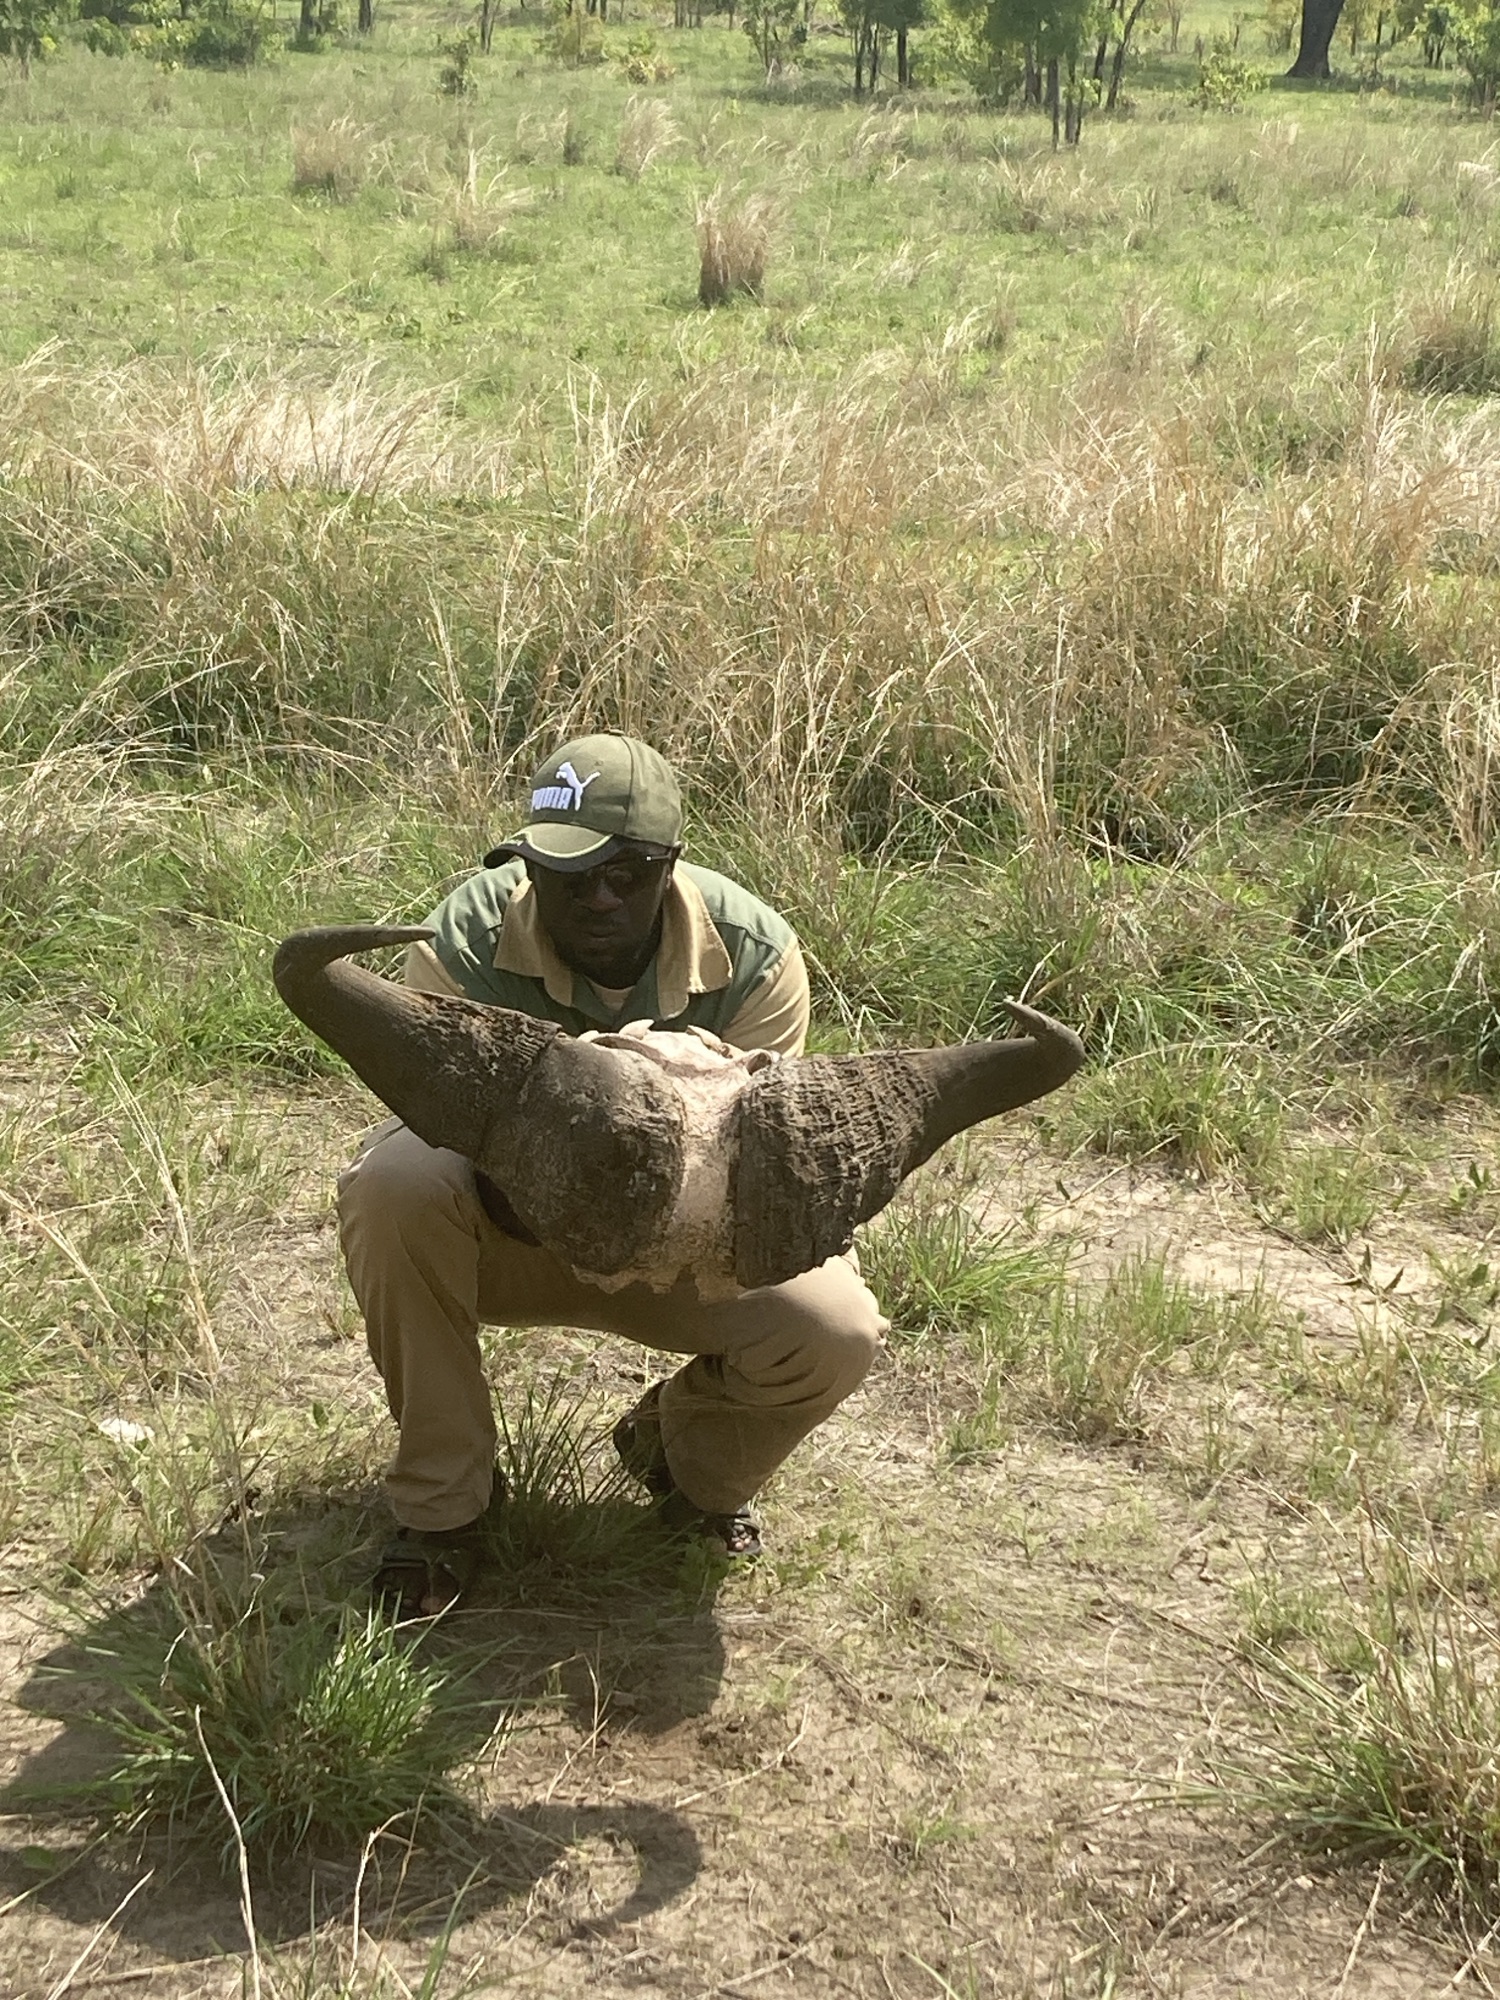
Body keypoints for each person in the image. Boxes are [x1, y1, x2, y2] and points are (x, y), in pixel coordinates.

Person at [337, 733, 887, 1616]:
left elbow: (757, 1170)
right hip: (507, 1226)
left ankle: (683, 1454)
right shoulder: (463, 941)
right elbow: (446, 1122)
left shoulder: (756, 956)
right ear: (527, 867)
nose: (597, 898)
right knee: (394, 1183)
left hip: (690, 1247)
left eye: (625, 874)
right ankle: (443, 1510)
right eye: (567, 874)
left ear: (672, 864)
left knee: (836, 1324)